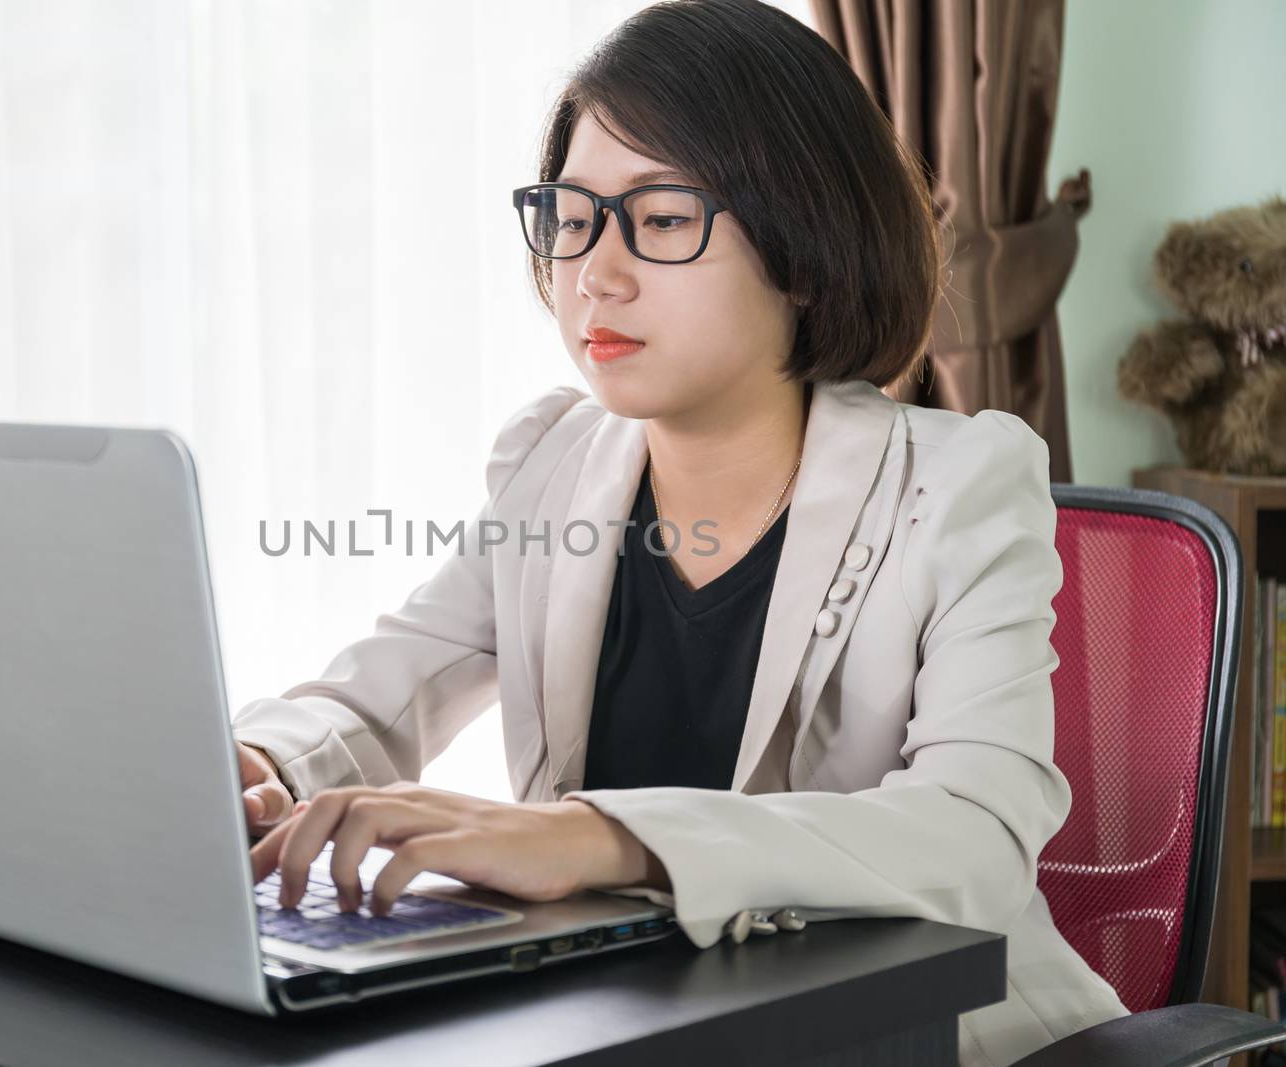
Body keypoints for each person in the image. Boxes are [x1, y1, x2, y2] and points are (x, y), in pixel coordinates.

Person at [232, 1, 1129, 1063]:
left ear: (802, 248)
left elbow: (975, 833)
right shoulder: (548, 464)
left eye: (661, 221)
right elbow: (367, 701)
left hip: (908, 1037)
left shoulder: (962, 480)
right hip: (635, 1026)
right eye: (570, 217)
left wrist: (600, 837)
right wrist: (250, 763)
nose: (593, 275)